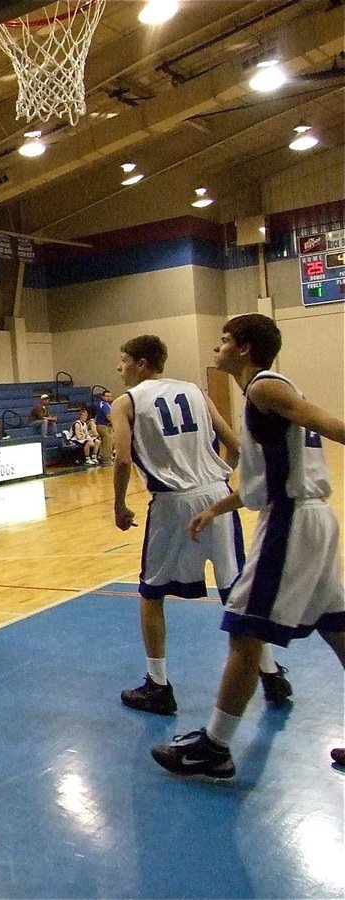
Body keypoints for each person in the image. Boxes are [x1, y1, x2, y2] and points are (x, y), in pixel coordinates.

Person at [152, 314, 345, 779]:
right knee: (338, 628)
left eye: (223, 340)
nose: (216, 347)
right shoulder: (268, 391)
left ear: (243, 348)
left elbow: (328, 424)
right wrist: (216, 509)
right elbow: (262, 479)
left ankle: (214, 747)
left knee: (246, 630)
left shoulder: (264, 387)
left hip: (291, 522)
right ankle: (215, 745)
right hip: (310, 517)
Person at [111, 333, 289, 717]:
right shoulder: (194, 390)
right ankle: (271, 673)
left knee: (152, 594)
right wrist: (220, 477)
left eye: (123, 359)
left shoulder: (125, 402)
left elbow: (123, 459)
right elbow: (235, 444)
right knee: (236, 590)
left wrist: (119, 504)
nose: (119, 367)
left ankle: (157, 685)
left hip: (172, 502)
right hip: (216, 493)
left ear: (142, 364)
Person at [95, 388, 114, 464]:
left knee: (104, 442)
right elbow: (108, 416)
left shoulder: (107, 404)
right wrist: (113, 423)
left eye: (110, 396)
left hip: (103, 425)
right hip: (103, 425)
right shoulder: (104, 404)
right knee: (108, 443)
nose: (109, 398)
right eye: (107, 396)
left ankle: (101, 456)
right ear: (103, 397)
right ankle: (107, 460)